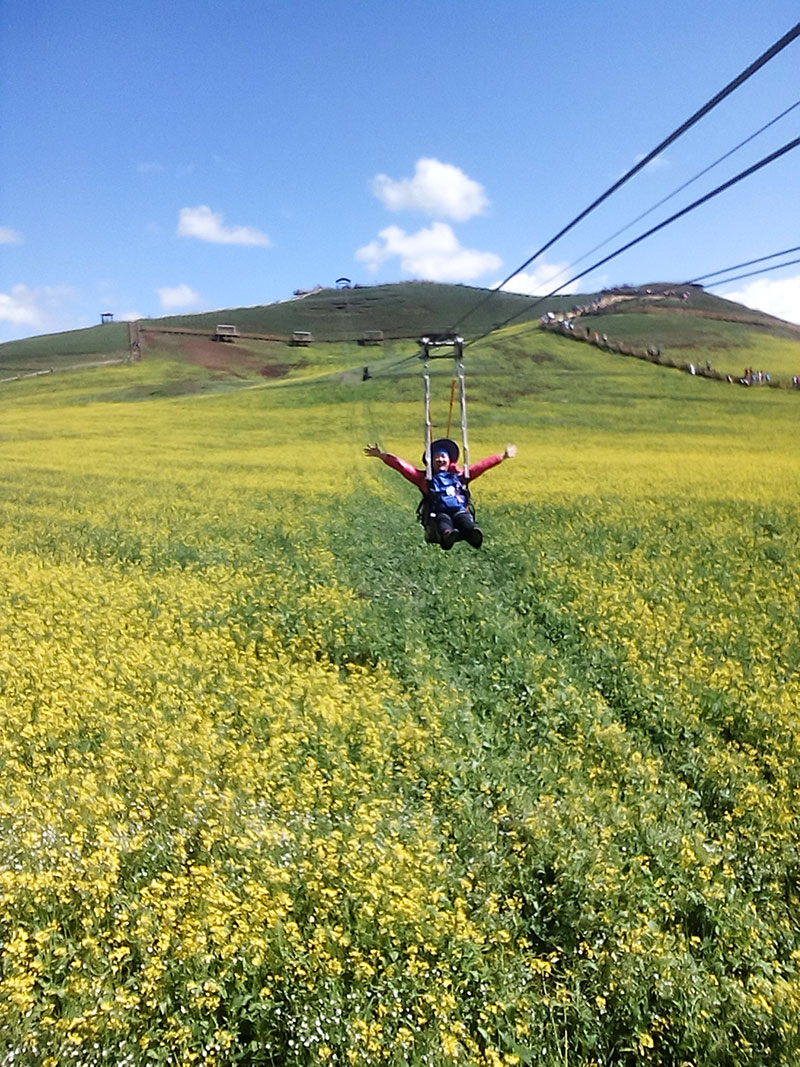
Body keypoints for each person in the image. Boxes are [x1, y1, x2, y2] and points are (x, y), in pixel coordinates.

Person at [364, 437, 517, 550]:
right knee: (443, 521)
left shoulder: (459, 476)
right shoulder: (424, 479)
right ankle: (447, 535)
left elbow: (480, 467)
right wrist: (383, 456)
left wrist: (501, 457)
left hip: (459, 510)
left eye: (443, 456)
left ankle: (473, 533)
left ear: (449, 460)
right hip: (438, 514)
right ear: (430, 462)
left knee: (465, 519)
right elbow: (403, 467)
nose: (440, 458)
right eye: (436, 456)